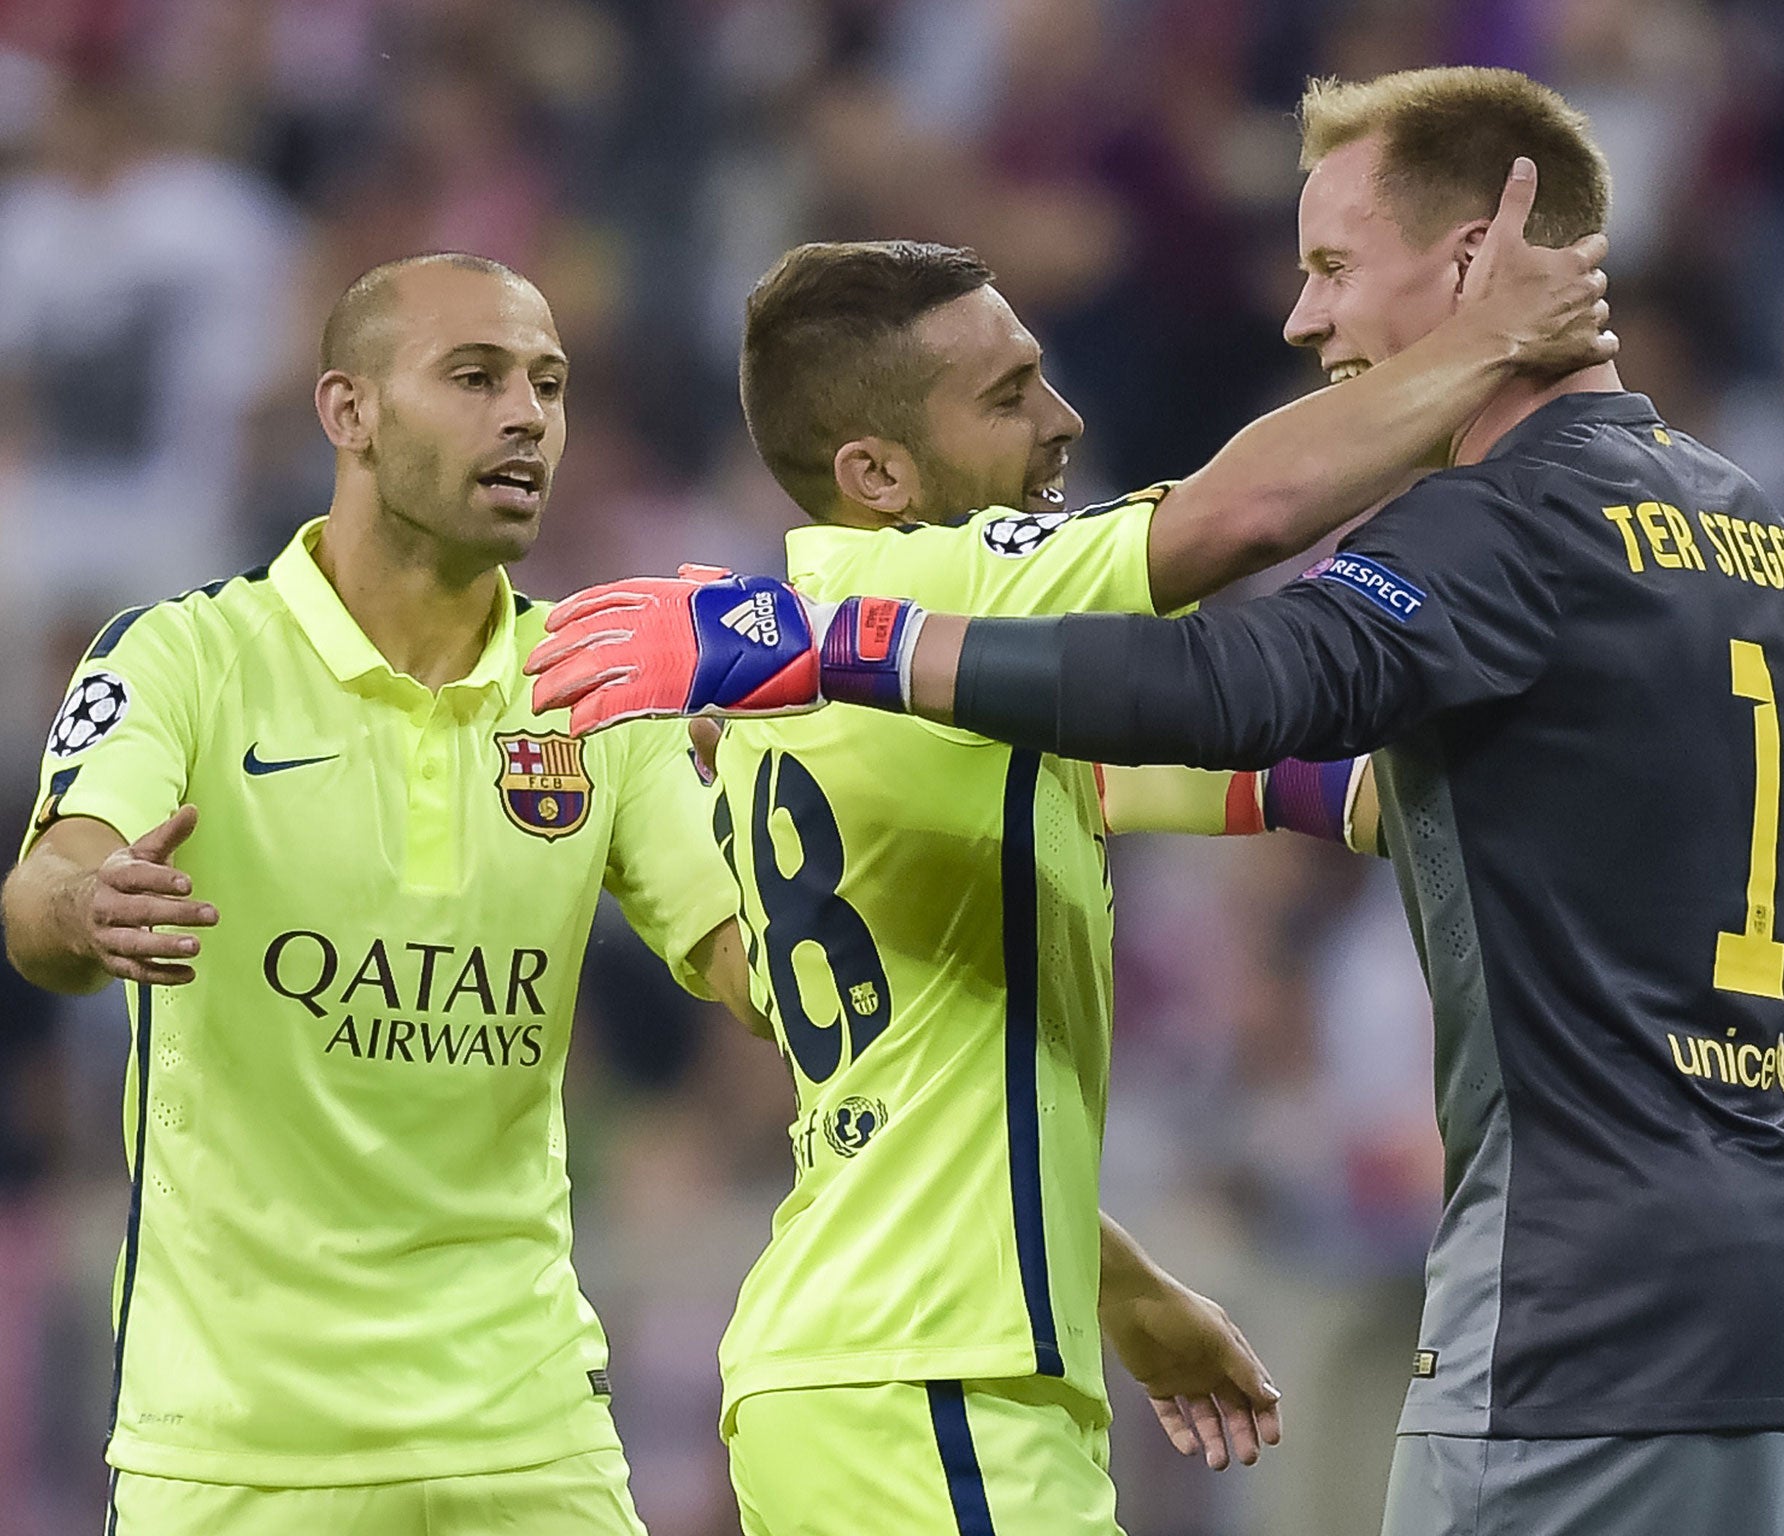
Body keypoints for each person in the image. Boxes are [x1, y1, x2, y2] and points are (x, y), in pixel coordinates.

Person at [528, 68, 1784, 1536]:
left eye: (1329, 267)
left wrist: (822, 645)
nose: (1303, 320)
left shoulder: (1496, 527)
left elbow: (1232, 672)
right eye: (1013, 393)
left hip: (1585, 1309)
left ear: (1472, 263)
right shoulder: (1741, 518)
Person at [0, 251, 1333, 1535]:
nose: (525, 415)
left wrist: (1110, 1274)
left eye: (550, 382)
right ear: (346, 411)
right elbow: (50, 886)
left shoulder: (594, 687)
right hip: (236, 1441)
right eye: (473, 377)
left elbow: (829, 1021)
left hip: (524, 1430)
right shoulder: (189, 654)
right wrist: (85, 909)